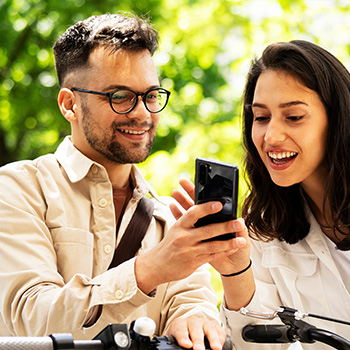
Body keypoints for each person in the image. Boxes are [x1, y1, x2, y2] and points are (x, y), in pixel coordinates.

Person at [0, 12, 243, 347]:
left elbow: (192, 301)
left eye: (151, 95)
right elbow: (32, 322)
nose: (142, 112)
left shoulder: (169, 218)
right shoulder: (18, 190)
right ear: (70, 104)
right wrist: (148, 271)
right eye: (120, 96)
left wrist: (195, 320)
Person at [171, 40, 350, 349]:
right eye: (261, 117)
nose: (271, 137)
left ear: (337, 120)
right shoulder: (264, 230)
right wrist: (234, 269)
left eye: (293, 117)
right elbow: (258, 343)